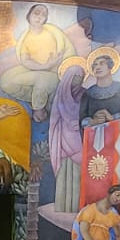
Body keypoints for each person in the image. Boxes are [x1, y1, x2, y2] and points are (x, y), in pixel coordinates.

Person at [0, 4, 73, 120]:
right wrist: (44, 65)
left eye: (43, 15)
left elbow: (64, 52)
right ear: (29, 16)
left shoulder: (52, 32)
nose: (39, 17)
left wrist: (51, 65)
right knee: (6, 81)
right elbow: (26, 60)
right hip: (36, 69)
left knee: (42, 80)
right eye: (37, 13)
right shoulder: (26, 38)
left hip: (54, 73)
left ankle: (39, 109)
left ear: (46, 19)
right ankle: (35, 99)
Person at [78, 47, 120, 205]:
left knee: (115, 172)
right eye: (94, 65)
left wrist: (111, 118)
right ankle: (92, 204)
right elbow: (82, 118)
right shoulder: (88, 93)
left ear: (111, 66)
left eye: (101, 64)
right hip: (93, 144)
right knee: (94, 173)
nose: (97, 67)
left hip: (116, 140)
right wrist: (92, 122)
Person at [47, 57, 87, 211]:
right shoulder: (59, 97)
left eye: (81, 77)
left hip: (79, 139)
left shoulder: (84, 94)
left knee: (78, 174)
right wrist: (56, 139)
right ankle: (63, 206)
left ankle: (78, 206)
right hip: (63, 140)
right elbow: (54, 121)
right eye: (76, 76)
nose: (79, 79)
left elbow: (85, 113)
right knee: (64, 173)